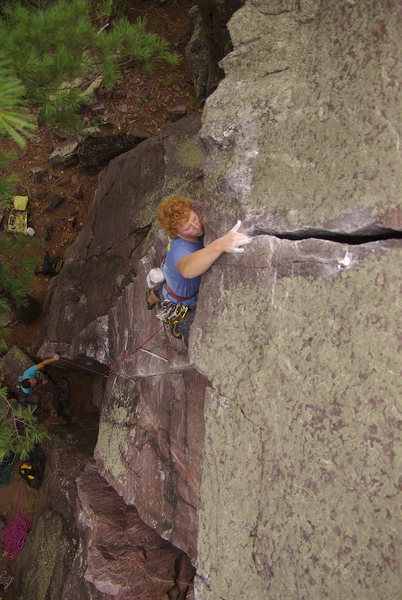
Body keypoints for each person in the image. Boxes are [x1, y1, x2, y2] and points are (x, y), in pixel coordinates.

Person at [146, 195, 251, 345]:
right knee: (185, 335)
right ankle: (154, 302)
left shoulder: (185, 230)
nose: (196, 226)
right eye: (188, 228)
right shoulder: (179, 251)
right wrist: (219, 245)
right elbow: (187, 269)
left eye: (194, 218)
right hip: (179, 301)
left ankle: (152, 296)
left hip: (170, 276)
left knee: (163, 290)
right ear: (176, 233)